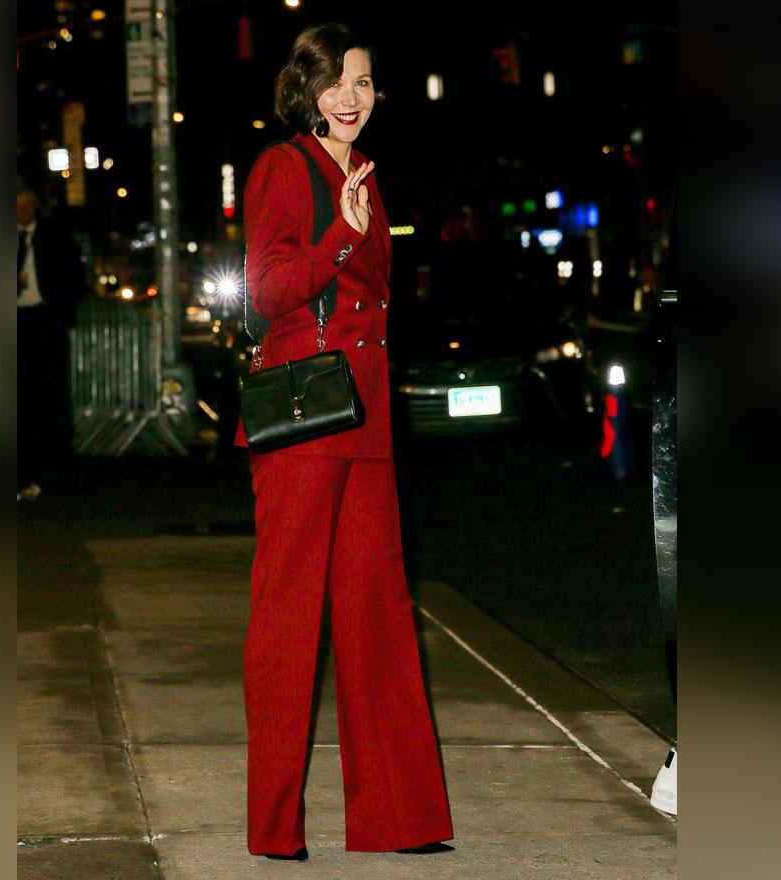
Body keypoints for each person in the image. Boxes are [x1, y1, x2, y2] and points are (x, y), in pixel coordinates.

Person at [233, 23, 455, 861]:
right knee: (288, 619)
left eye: (362, 82)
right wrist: (340, 238)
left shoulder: (362, 174)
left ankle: (399, 818)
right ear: (307, 91)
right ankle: (275, 829)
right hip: (303, 417)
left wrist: (357, 223)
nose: (351, 97)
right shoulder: (284, 167)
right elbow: (266, 289)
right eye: (335, 84)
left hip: (363, 421)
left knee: (378, 615)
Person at [16, 178, 83, 500]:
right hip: (17, 319)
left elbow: (71, 274)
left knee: (52, 389)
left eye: (27, 206)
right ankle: (27, 460)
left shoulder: (54, 235)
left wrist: (62, 312)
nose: (22, 212)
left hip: (46, 318)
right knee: (22, 392)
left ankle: (55, 462)